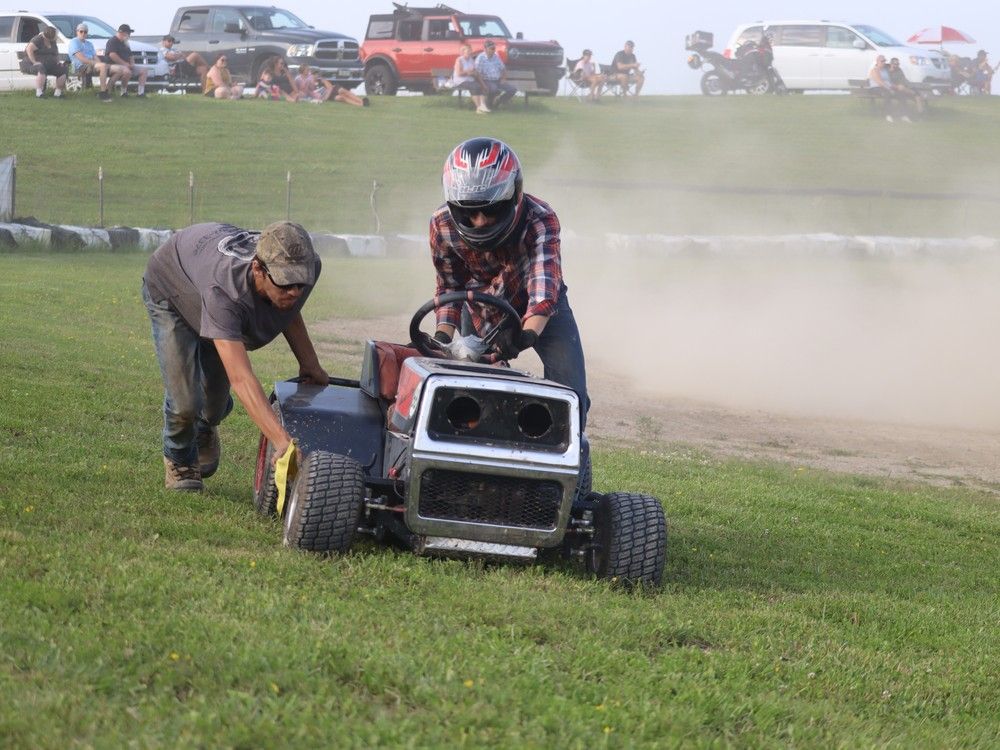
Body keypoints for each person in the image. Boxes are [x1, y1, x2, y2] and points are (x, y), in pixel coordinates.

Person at [142, 221, 328, 491]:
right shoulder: (225, 290)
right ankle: (179, 458)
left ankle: (205, 425)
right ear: (257, 269)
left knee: (213, 404)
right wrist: (281, 440)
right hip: (172, 289)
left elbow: (288, 310)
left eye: (301, 283)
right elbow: (240, 378)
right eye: (286, 283)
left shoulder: (305, 269)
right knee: (186, 403)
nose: (295, 292)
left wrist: (310, 364)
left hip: (208, 288)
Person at [428, 137, 590, 428]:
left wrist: (525, 337)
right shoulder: (441, 224)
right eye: (468, 210)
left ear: (514, 196)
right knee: (468, 400)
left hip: (542, 310)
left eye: (490, 210)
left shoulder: (541, 219)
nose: (479, 221)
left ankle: (564, 466)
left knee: (572, 397)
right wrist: (441, 338)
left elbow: (544, 286)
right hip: (479, 309)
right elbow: (449, 286)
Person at [102, 24, 147, 98]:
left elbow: (131, 55)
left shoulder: (125, 43)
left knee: (144, 70)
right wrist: (125, 64)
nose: (129, 35)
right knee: (127, 72)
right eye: (128, 33)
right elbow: (112, 55)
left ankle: (140, 93)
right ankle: (123, 92)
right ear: (122, 33)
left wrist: (132, 63)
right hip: (113, 65)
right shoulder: (112, 41)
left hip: (126, 65)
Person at [23, 25, 67, 99]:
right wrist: (34, 62)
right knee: (41, 67)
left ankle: (57, 93)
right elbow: (29, 49)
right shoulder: (38, 39)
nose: (57, 36)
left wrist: (58, 62)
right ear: (49, 35)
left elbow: (55, 53)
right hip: (31, 64)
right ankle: (39, 93)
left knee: (63, 69)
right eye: (56, 34)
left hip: (48, 64)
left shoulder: (53, 41)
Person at [475, 40, 517, 109]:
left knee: (512, 89)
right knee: (494, 89)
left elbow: (503, 68)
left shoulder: (496, 56)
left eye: (494, 48)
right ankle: (489, 105)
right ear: (485, 49)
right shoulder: (480, 58)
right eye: (492, 49)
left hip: (498, 80)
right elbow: (477, 73)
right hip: (487, 80)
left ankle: (499, 101)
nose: (494, 50)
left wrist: (503, 78)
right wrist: (483, 85)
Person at [67, 23, 108, 91]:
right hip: (80, 66)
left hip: (91, 64)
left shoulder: (89, 44)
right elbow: (82, 59)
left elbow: (95, 56)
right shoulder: (74, 42)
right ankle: (103, 91)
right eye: (81, 31)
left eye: (85, 32)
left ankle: (109, 90)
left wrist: (99, 63)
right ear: (77, 32)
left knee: (109, 67)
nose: (83, 33)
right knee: (103, 66)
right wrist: (97, 64)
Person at [451, 43, 489, 113]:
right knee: (475, 86)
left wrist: (483, 84)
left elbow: (475, 73)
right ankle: (478, 108)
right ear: (463, 52)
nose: (470, 52)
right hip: (460, 81)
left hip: (470, 80)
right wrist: (468, 72)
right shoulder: (459, 60)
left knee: (481, 86)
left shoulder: (471, 60)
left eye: (470, 51)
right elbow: (459, 73)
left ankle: (483, 106)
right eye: (468, 51)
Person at [868, 54, 903, 122]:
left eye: (884, 61)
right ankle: (888, 115)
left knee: (901, 94)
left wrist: (897, 87)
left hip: (885, 87)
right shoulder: (874, 70)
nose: (884, 62)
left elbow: (889, 82)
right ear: (877, 61)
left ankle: (903, 114)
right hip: (876, 88)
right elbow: (879, 82)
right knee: (887, 94)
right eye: (882, 61)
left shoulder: (885, 70)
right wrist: (889, 89)